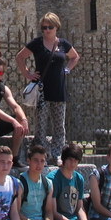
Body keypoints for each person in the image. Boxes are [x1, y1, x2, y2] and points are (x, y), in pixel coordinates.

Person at [15, 12, 80, 164]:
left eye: (50, 27)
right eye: (44, 27)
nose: (47, 30)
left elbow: (75, 57)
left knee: (59, 126)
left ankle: (57, 154)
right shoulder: (37, 43)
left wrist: (67, 69)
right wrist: (27, 73)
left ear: (56, 27)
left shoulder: (63, 44)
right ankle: (40, 155)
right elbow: (20, 57)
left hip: (59, 89)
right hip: (42, 91)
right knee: (41, 126)